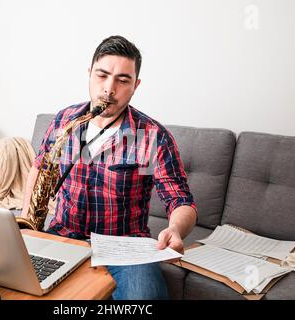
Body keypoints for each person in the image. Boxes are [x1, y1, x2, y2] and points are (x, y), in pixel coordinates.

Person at [21, 35, 197, 300]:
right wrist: (27, 220)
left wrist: (176, 229)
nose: (109, 89)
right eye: (102, 75)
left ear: (135, 86)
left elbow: (180, 200)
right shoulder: (65, 120)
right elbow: (40, 167)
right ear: (89, 73)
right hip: (63, 237)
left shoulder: (153, 135)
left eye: (122, 80)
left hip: (125, 247)